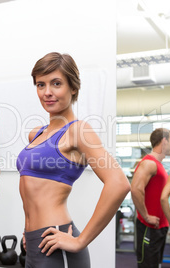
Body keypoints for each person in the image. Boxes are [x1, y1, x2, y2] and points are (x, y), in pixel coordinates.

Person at [16, 52, 130, 267]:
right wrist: (28, 232)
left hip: (58, 243)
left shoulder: (78, 131)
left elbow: (119, 184)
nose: (47, 92)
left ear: (73, 87)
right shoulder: (36, 134)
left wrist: (80, 241)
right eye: (41, 85)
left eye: (56, 83)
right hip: (34, 242)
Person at [131, 128, 170, 268]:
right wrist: (146, 216)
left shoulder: (159, 166)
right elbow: (136, 189)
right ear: (164, 141)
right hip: (148, 226)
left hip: (159, 227)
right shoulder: (149, 163)